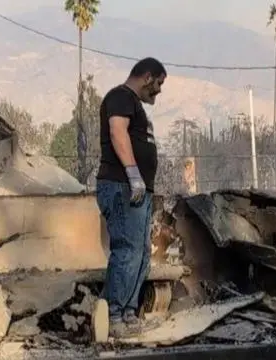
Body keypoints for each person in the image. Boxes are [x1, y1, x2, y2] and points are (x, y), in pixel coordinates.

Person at [95, 57, 167, 338]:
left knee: (141, 254)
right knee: (127, 250)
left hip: (138, 189)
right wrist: (133, 174)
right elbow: (117, 132)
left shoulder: (134, 105)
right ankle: (112, 316)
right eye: (159, 82)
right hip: (122, 185)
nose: (159, 90)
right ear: (147, 77)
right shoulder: (120, 97)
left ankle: (127, 313)